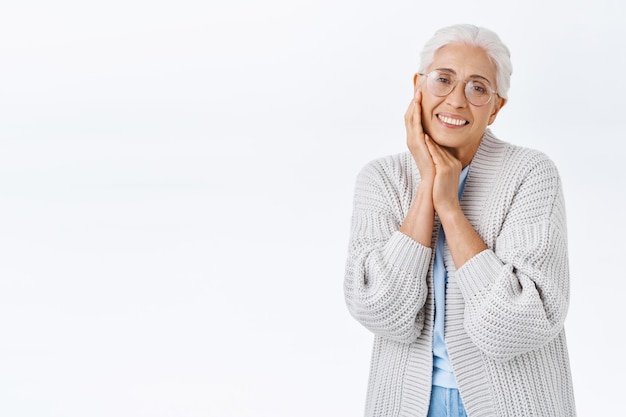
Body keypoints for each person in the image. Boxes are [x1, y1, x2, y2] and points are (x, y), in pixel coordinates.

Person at [343, 24, 576, 417]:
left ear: (496, 107)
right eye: (443, 80)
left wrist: (449, 208)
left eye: (478, 87)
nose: (455, 100)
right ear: (418, 86)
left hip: (516, 405)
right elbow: (380, 311)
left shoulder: (531, 174)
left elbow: (519, 324)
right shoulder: (381, 179)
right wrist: (427, 186)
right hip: (406, 403)